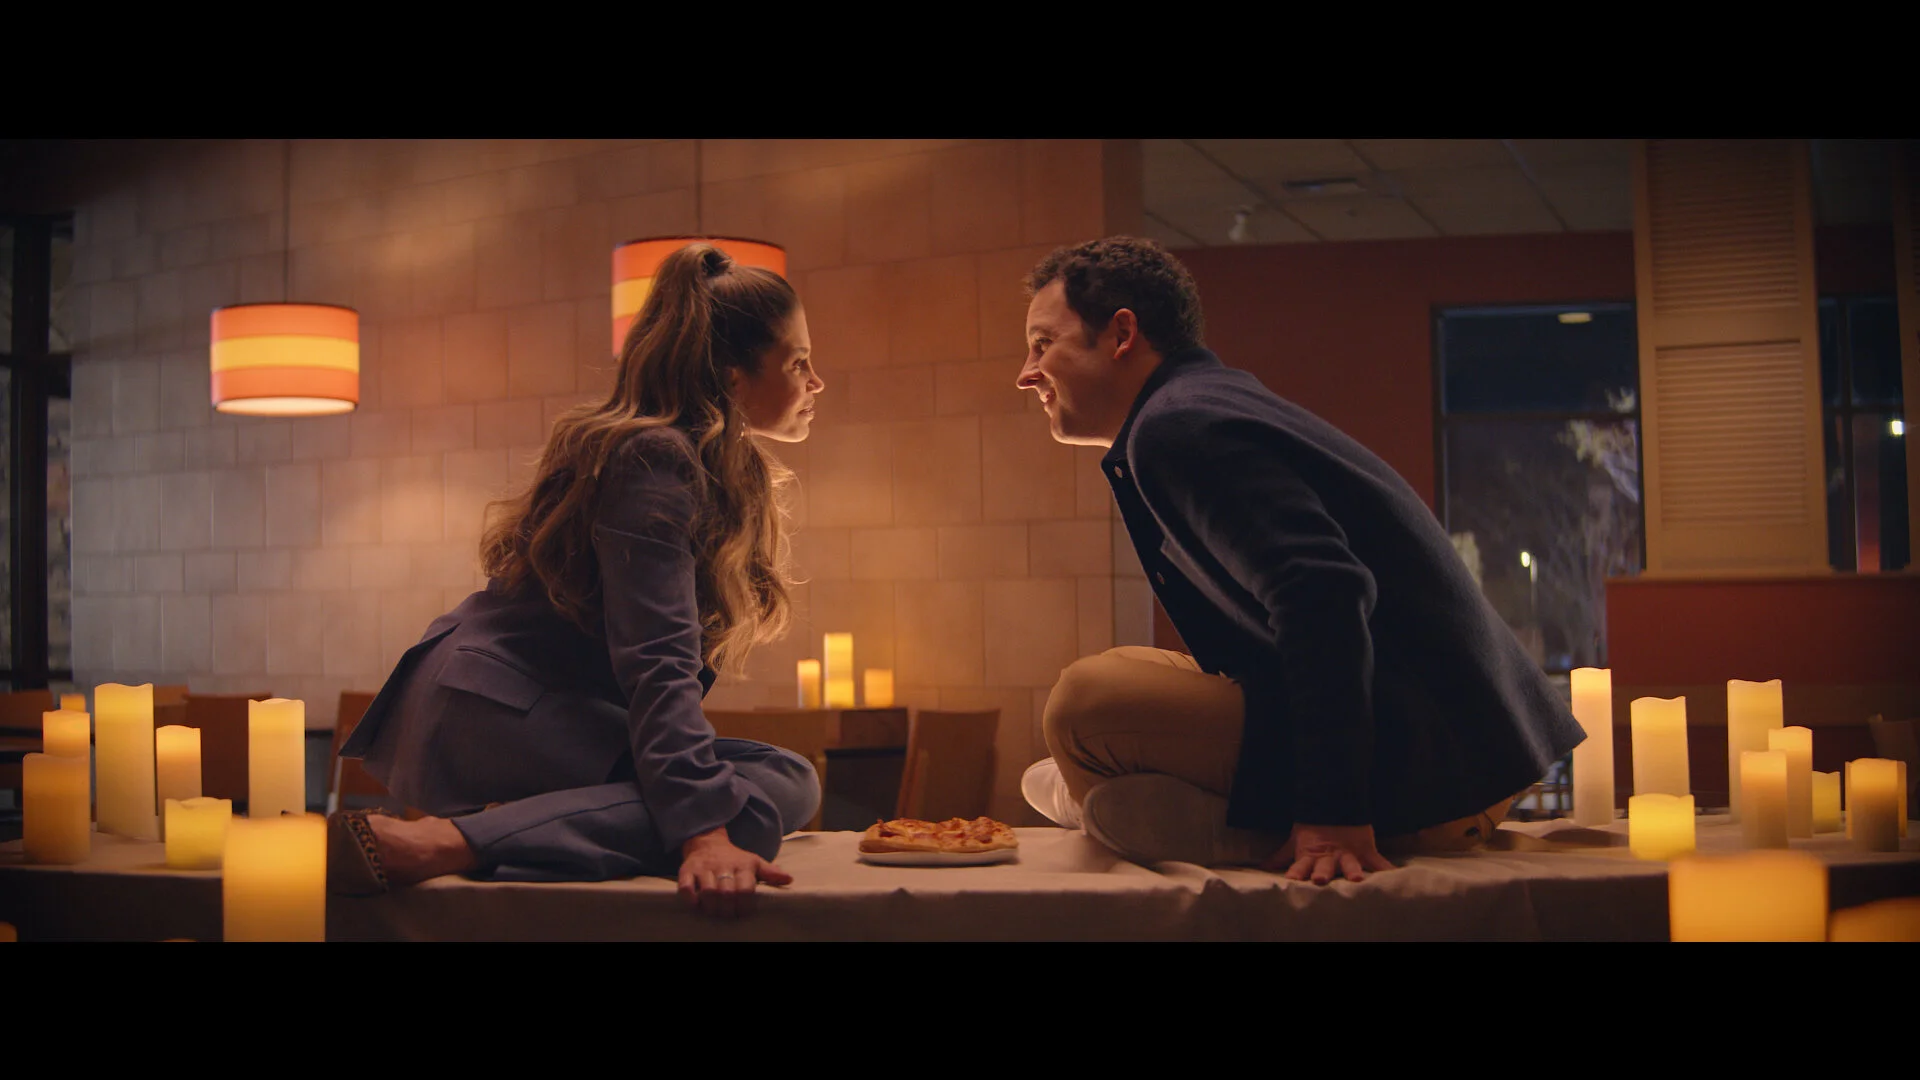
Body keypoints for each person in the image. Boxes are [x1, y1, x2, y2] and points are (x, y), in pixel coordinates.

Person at [1013, 236, 1586, 885]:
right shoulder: (1194, 404)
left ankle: (1230, 827)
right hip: (1444, 744)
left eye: (1042, 344)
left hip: (1434, 772)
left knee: (1083, 708)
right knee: (1127, 670)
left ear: (1122, 334)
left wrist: (1332, 812)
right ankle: (1115, 801)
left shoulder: (1177, 426)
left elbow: (1322, 593)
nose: (1026, 374)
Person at [333, 242, 825, 919]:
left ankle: (489, 833)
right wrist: (704, 834)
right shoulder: (657, 459)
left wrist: (699, 809)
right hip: (495, 708)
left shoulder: (697, 462)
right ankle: (441, 845)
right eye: (798, 362)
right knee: (753, 801)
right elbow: (657, 662)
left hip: (526, 707)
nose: (815, 382)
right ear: (733, 378)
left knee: (784, 777)